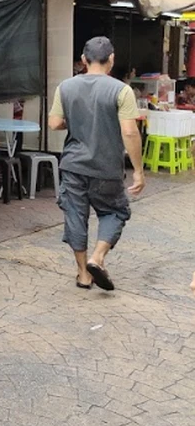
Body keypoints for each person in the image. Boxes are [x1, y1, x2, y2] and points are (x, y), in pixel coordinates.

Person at [48, 36, 144, 293]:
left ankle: (83, 274)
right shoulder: (121, 90)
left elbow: (54, 123)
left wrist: (77, 122)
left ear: (83, 60)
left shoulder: (65, 87)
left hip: (73, 166)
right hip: (106, 168)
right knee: (115, 212)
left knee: (75, 217)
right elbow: (130, 132)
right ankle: (97, 257)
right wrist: (138, 171)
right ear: (111, 60)